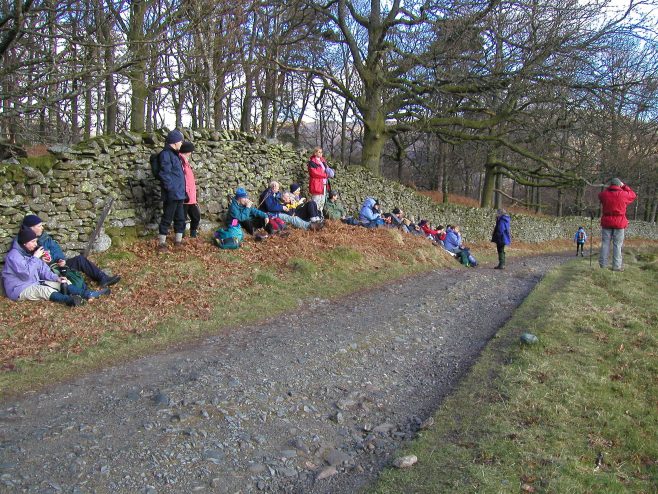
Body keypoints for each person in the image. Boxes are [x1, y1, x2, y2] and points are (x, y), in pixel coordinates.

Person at [2, 228, 108, 307]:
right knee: (43, 290)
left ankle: (87, 294)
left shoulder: (30, 252)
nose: (36, 244)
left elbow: (43, 270)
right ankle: (70, 300)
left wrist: (56, 278)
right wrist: (35, 258)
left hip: (34, 281)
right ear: (25, 243)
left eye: (36, 241)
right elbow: (26, 275)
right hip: (19, 289)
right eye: (33, 241)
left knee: (61, 282)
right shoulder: (14, 256)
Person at [20, 214, 120, 288]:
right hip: (47, 273)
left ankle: (103, 278)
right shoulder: (24, 244)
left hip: (58, 266)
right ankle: (82, 290)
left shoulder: (45, 238)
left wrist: (60, 260)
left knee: (80, 260)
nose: (42, 228)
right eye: (39, 226)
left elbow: (56, 250)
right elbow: (28, 266)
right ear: (30, 228)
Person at [598, 178, 636, 271]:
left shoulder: (604, 195)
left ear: (611, 185)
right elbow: (633, 195)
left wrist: (609, 188)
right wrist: (624, 186)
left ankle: (603, 265)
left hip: (607, 221)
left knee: (605, 244)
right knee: (617, 245)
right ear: (619, 185)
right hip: (619, 222)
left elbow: (601, 195)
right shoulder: (623, 195)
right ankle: (616, 266)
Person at [157, 129, 186, 252]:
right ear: (174, 142)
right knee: (167, 218)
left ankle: (178, 241)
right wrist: (171, 190)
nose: (181, 144)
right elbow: (165, 174)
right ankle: (161, 244)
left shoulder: (175, 155)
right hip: (172, 194)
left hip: (179, 194)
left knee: (180, 218)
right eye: (180, 141)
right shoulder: (166, 154)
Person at [180, 141, 200, 238]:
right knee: (181, 218)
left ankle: (193, 235)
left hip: (191, 196)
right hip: (185, 195)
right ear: (187, 151)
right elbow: (182, 179)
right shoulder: (181, 162)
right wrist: (185, 192)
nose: (191, 153)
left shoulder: (186, 162)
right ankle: (181, 237)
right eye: (190, 151)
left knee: (196, 216)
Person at [307, 147, 334, 213]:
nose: (321, 153)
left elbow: (327, 170)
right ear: (315, 153)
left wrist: (330, 172)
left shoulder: (323, 161)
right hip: (317, 184)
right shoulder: (312, 162)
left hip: (324, 184)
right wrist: (326, 175)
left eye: (321, 152)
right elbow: (314, 173)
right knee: (316, 200)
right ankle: (314, 216)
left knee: (322, 200)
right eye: (319, 152)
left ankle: (320, 215)